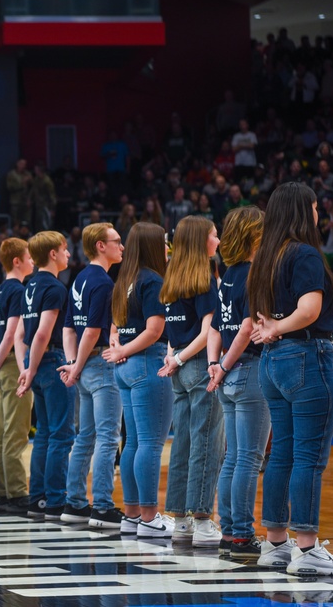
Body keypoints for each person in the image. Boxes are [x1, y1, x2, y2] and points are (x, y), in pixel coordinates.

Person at [247, 183, 333, 576]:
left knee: (283, 454)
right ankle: (308, 551)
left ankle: (276, 543)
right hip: (306, 356)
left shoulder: (262, 258)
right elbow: (309, 309)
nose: (317, 213)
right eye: (314, 207)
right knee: (309, 457)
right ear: (302, 210)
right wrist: (279, 326)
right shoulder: (304, 253)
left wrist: (272, 329)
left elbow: (258, 316)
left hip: (272, 364)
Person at [205, 206, 268, 559]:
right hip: (247, 371)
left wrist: (215, 364)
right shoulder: (255, 275)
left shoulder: (228, 273)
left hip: (228, 374)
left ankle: (230, 532)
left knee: (234, 457)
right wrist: (224, 366)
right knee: (248, 458)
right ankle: (242, 534)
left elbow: (216, 326)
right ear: (255, 235)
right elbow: (246, 327)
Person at [102, 222, 172, 536]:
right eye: (165, 243)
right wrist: (121, 350)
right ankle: (149, 518)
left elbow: (115, 326)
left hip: (126, 368)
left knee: (132, 441)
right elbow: (154, 330)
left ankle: (132, 515)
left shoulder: (124, 279)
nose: (168, 248)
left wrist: (118, 348)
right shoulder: (153, 279)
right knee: (150, 444)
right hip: (145, 362)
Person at [159, 216, 224, 547]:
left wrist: (172, 359)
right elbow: (207, 333)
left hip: (179, 369)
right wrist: (181, 358)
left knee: (183, 440)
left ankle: (181, 521)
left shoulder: (171, 279)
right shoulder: (205, 279)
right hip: (198, 366)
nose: (218, 239)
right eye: (214, 235)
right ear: (201, 240)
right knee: (206, 441)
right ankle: (201, 520)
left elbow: (172, 334)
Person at [58, 222, 124, 528]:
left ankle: (74, 504)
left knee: (85, 436)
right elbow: (92, 331)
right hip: (99, 364)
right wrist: (79, 363)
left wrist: (73, 364)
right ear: (100, 245)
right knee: (108, 437)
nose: (121, 246)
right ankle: (102, 506)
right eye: (116, 241)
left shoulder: (79, 278)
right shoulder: (103, 283)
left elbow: (69, 327)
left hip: (83, 366)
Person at [15, 231, 73, 521]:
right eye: (64, 250)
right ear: (52, 254)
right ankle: (54, 501)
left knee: (45, 435)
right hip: (49, 361)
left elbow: (21, 334)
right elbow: (41, 334)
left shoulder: (30, 284)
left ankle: (37, 499)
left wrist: (25, 367)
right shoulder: (55, 287)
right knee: (61, 436)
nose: (68, 255)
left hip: (35, 363)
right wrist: (33, 368)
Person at [0, 238, 34, 515]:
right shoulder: (18, 290)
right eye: (28, 257)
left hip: (0, 365)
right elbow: (13, 332)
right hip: (12, 363)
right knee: (14, 431)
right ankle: (16, 493)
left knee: (2, 431)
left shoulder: (0, 290)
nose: (32, 261)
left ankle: (2, 492)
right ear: (17, 261)